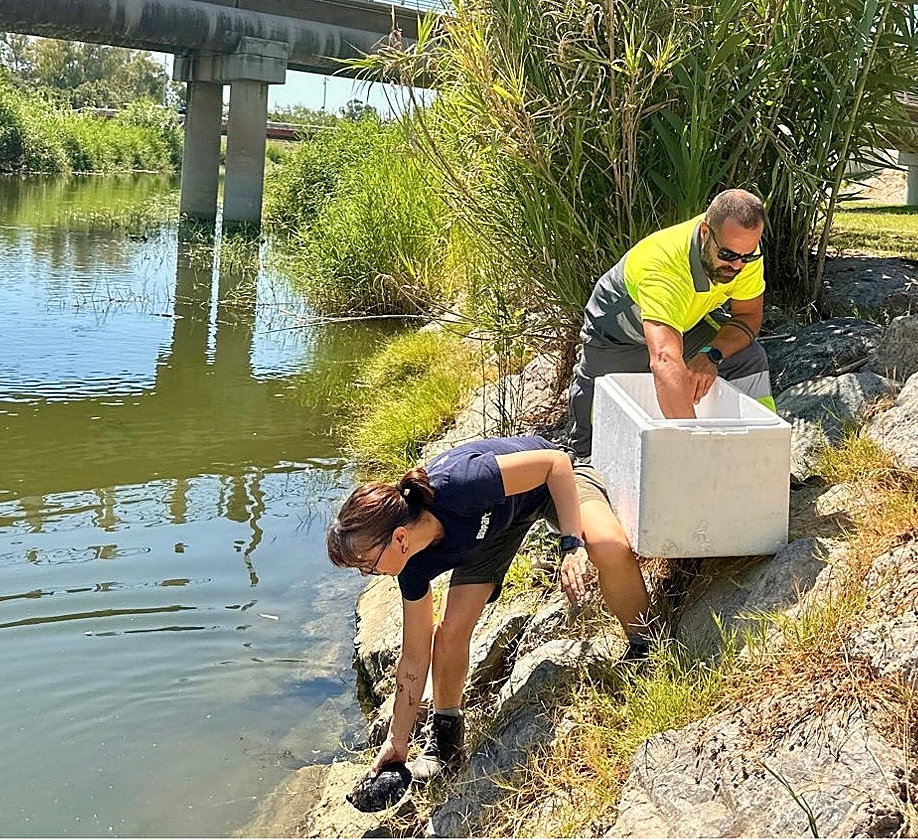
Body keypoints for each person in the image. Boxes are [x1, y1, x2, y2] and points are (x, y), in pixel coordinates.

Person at [326, 436, 652, 782]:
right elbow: (415, 655)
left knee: (607, 544)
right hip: (491, 530)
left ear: (400, 538)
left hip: (552, 484)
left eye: (368, 564)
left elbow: (554, 464)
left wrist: (571, 544)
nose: (367, 574)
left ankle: (645, 646)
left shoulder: (458, 484)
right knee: (451, 632)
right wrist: (397, 741)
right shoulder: (412, 567)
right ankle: (446, 743)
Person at [568, 188, 775, 462]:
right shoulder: (664, 265)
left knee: (748, 358)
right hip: (617, 336)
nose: (738, 266)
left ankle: (763, 456)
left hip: (682, 324)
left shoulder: (744, 253)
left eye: (746, 256)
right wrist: (696, 454)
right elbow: (664, 360)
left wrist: (710, 354)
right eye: (727, 255)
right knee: (593, 433)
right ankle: (581, 463)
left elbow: (748, 317)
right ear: (704, 233)